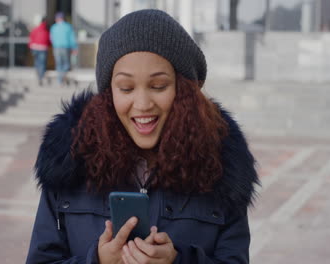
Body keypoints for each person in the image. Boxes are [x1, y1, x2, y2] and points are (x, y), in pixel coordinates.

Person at [26, 9, 259, 264]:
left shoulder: (223, 166)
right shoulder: (68, 158)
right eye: (126, 88)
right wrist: (97, 261)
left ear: (185, 91)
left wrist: (178, 261)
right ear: (109, 93)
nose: (143, 104)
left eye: (158, 86)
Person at [49, 12, 78, 85]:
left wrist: (54, 44)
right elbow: (72, 38)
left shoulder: (53, 27)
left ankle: (60, 79)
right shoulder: (68, 26)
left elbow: (51, 38)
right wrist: (74, 47)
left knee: (59, 64)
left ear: (56, 19)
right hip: (66, 47)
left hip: (56, 47)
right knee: (66, 64)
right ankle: (62, 77)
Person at [29, 17, 51, 86]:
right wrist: (49, 45)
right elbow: (48, 39)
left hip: (34, 47)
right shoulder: (46, 29)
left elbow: (31, 37)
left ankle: (38, 74)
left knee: (37, 62)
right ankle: (40, 77)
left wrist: (30, 46)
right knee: (42, 63)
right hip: (42, 48)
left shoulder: (35, 29)